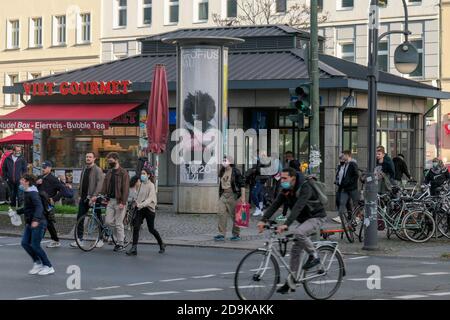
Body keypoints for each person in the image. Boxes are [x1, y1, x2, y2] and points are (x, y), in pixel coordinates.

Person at [257, 168, 327, 294]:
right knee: (295, 250)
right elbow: (276, 204)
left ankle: (314, 256)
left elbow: (298, 207)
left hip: (316, 217)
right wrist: (263, 220)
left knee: (299, 232)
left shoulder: (305, 187)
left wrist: (286, 224)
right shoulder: (286, 189)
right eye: (281, 178)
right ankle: (291, 281)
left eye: (284, 178)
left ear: (293, 179)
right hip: (304, 220)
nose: (282, 181)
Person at [17, 174, 55, 276]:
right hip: (30, 223)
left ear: (27, 182)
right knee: (25, 243)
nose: (20, 181)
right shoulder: (28, 192)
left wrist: (36, 220)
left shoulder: (33, 193)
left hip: (39, 223)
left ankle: (48, 266)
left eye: (22, 180)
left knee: (35, 245)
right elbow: (28, 207)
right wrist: (18, 212)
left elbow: (39, 207)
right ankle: (38, 263)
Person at [126, 167, 165, 256]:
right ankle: (134, 248)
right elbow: (138, 195)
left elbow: (150, 199)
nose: (142, 175)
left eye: (144, 174)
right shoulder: (140, 184)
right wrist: (135, 202)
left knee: (151, 229)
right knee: (136, 227)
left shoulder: (151, 185)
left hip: (149, 209)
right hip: (140, 209)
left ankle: (161, 244)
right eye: (141, 173)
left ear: (148, 175)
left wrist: (141, 204)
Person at [70, 152, 105, 248]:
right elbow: (81, 182)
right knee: (80, 218)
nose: (88, 158)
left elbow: (99, 184)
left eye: (90, 157)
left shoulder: (98, 170)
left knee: (98, 218)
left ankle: (101, 239)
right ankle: (80, 239)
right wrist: (80, 195)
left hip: (94, 198)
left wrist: (94, 196)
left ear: (94, 159)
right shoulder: (84, 169)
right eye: (87, 157)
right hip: (84, 198)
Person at [35, 160, 69, 248]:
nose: (43, 169)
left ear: (50, 168)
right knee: (40, 220)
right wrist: (36, 183)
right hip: (39, 202)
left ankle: (55, 240)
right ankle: (49, 239)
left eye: (45, 167)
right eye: (42, 167)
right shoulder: (39, 177)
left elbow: (63, 190)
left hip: (47, 204)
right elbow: (33, 187)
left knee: (48, 222)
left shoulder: (53, 179)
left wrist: (54, 199)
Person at [101, 152, 130, 252]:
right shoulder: (109, 173)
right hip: (110, 201)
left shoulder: (123, 172)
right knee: (108, 222)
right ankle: (121, 235)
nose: (109, 163)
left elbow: (126, 189)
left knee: (118, 223)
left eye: (110, 161)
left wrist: (123, 202)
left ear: (116, 160)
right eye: (108, 161)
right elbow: (104, 186)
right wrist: (99, 195)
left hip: (119, 201)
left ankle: (120, 243)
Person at [214, 156, 245, 241]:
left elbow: (242, 184)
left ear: (230, 161)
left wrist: (243, 198)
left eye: (225, 160)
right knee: (221, 214)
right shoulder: (222, 171)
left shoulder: (235, 171)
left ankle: (236, 234)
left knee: (235, 216)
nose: (224, 162)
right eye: (223, 160)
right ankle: (221, 234)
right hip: (223, 195)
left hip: (233, 195)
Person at [336, 150, 359, 222]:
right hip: (345, 188)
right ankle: (342, 219)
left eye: (343, 155)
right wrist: (342, 183)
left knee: (356, 203)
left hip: (352, 188)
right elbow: (343, 175)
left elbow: (356, 175)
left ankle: (358, 217)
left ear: (347, 155)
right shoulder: (345, 164)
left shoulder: (352, 164)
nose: (342, 157)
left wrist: (349, 183)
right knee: (342, 203)